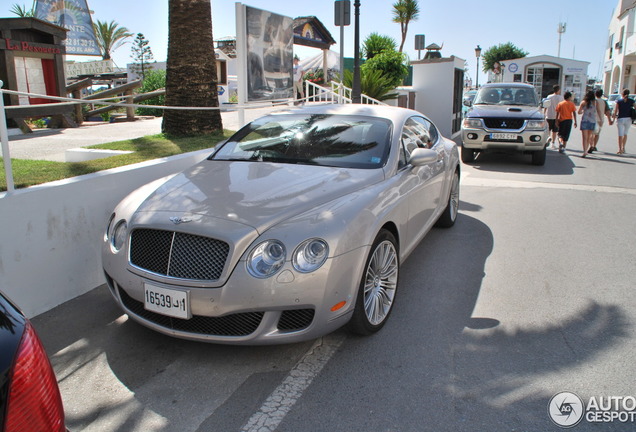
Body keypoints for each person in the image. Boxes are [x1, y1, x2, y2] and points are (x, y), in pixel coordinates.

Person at [578, 90, 603, 157]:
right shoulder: (595, 102)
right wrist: (600, 119)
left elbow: (579, 112)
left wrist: (583, 111)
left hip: (585, 121)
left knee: (584, 137)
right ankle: (586, 150)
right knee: (589, 137)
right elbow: (599, 111)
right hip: (592, 121)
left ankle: (585, 151)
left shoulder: (583, 102)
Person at [612, 88, 634, 154]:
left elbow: (615, 111)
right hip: (628, 119)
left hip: (620, 118)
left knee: (620, 134)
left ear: (622, 94)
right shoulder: (631, 101)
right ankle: (623, 147)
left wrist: (613, 119)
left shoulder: (619, 101)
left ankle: (619, 149)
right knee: (625, 133)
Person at [591, 89, 614, 153]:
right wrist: (609, 120)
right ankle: (594, 145)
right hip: (601, 119)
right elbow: (607, 112)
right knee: (597, 134)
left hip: (592, 119)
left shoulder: (593, 101)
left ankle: (591, 145)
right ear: (602, 94)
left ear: (595, 94)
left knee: (591, 133)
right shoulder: (604, 102)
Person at [545, 85, 564, 149]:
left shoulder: (549, 96)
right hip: (556, 116)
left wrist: (544, 113)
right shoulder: (561, 98)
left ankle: (548, 137)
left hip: (549, 115)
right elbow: (561, 107)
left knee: (548, 129)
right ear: (558, 90)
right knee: (555, 131)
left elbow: (545, 105)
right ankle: (553, 143)